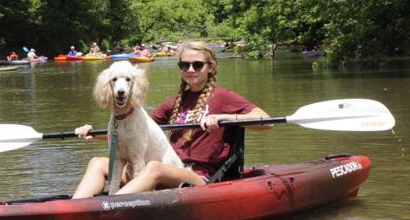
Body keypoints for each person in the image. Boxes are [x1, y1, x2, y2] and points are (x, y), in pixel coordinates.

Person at [72, 40, 270, 198]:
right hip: (167, 168)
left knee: (153, 167)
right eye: (184, 65)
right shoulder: (173, 103)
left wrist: (224, 117)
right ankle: (75, 210)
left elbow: (265, 120)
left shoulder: (224, 97)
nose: (190, 69)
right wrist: (93, 134)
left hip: (198, 178)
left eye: (197, 65)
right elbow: (137, 134)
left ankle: (108, 208)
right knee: (98, 162)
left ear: (210, 67)